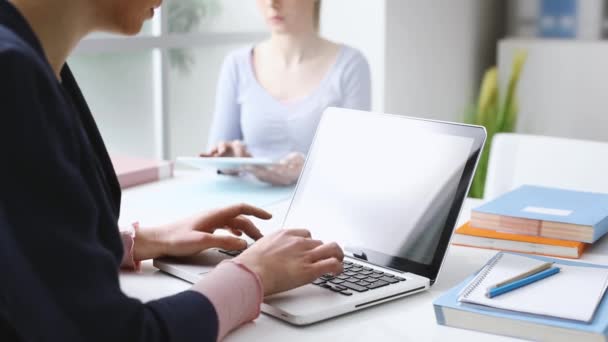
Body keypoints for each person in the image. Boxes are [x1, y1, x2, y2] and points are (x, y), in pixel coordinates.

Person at [0, 0, 344, 341]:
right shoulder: (12, 76)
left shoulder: (31, 64)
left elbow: (21, 240)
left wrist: (141, 241)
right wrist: (253, 273)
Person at [204, 0, 372, 186]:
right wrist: (229, 161)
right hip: (249, 206)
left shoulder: (350, 65)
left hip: (321, 202)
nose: (272, 3)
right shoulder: (236, 64)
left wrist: (308, 168)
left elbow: (356, 161)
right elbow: (215, 163)